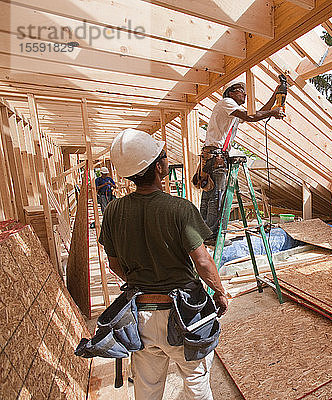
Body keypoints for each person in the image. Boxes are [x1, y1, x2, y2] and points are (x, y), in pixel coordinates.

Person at [99, 128, 228, 399]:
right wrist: (219, 291)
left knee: (147, 389)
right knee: (196, 383)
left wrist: (141, 279)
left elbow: (114, 265)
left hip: (140, 314)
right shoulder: (179, 208)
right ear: (158, 167)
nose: (167, 161)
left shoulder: (112, 211)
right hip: (183, 315)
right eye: (165, 157)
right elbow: (203, 262)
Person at [194, 80, 286, 242]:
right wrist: (273, 113)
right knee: (217, 196)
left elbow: (257, 113)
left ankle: (202, 233)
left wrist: (274, 95)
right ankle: (211, 235)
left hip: (213, 155)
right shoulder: (227, 103)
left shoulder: (232, 110)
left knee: (209, 195)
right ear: (230, 92)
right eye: (241, 91)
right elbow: (251, 116)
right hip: (216, 156)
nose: (245, 94)